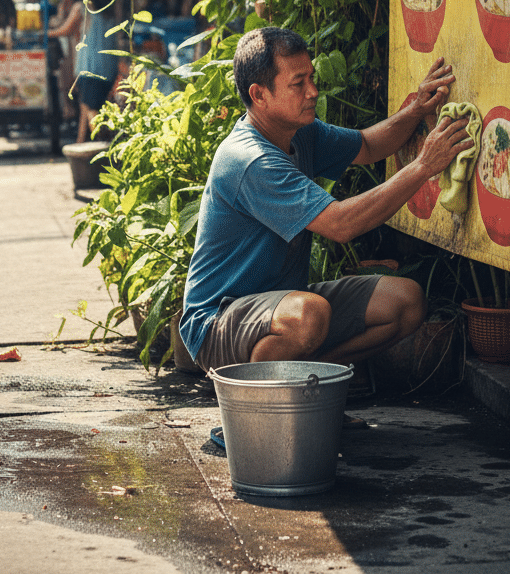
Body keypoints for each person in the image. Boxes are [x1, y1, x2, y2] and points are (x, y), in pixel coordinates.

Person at [179, 26, 474, 381]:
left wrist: (415, 110)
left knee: (405, 302)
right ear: (259, 95)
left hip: (284, 305)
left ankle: (310, 379)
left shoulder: (298, 132)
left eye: (311, 78)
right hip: (218, 322)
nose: (313, 91)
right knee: (309, 314)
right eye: (298, 83)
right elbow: (340, 225)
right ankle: (257, 400)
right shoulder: (251, 159)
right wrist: (424, 166)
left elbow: (368, 145)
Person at [73, 0, 118, 143]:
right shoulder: (111, 7)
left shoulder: (83, 7)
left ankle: (103, 143)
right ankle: (80, 143)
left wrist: (45, 33)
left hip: (90, 67)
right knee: (87, 106)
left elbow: (66, 30)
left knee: (91, 110)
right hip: (108, 67)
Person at [48, 0, 83, 121]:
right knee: (66, 81)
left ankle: (76, 114)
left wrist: (47, 33)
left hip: (76, 48)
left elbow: (67, 29)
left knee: (75, 81)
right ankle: (70, 112)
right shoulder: (64, 4)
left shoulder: (79, 6)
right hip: (66, 49)